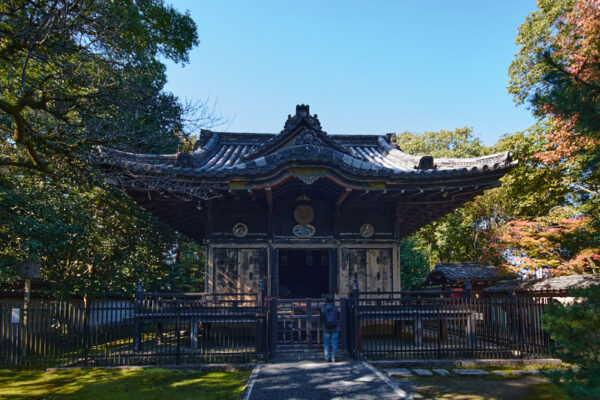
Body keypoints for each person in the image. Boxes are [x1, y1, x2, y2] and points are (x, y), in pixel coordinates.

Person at [320, 295, 340, 363]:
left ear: (326, 300)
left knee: (326, 344)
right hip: (335, 328)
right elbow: (338, 316)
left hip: (326, 328)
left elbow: (321, 318)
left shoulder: (323, 308)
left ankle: (327, 358)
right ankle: (334, 358)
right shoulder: (335, 308)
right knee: (334, 344)